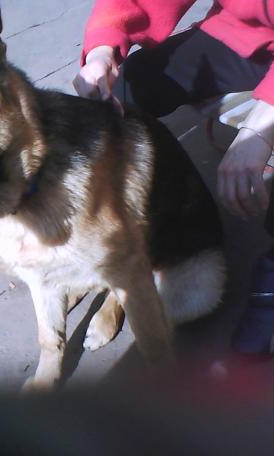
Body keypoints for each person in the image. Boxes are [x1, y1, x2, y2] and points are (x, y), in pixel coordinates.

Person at [73, 0, 274, 355]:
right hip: (245, 34)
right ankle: (126, 234)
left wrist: (258, 132)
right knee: (125, 88)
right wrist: (103, 49)